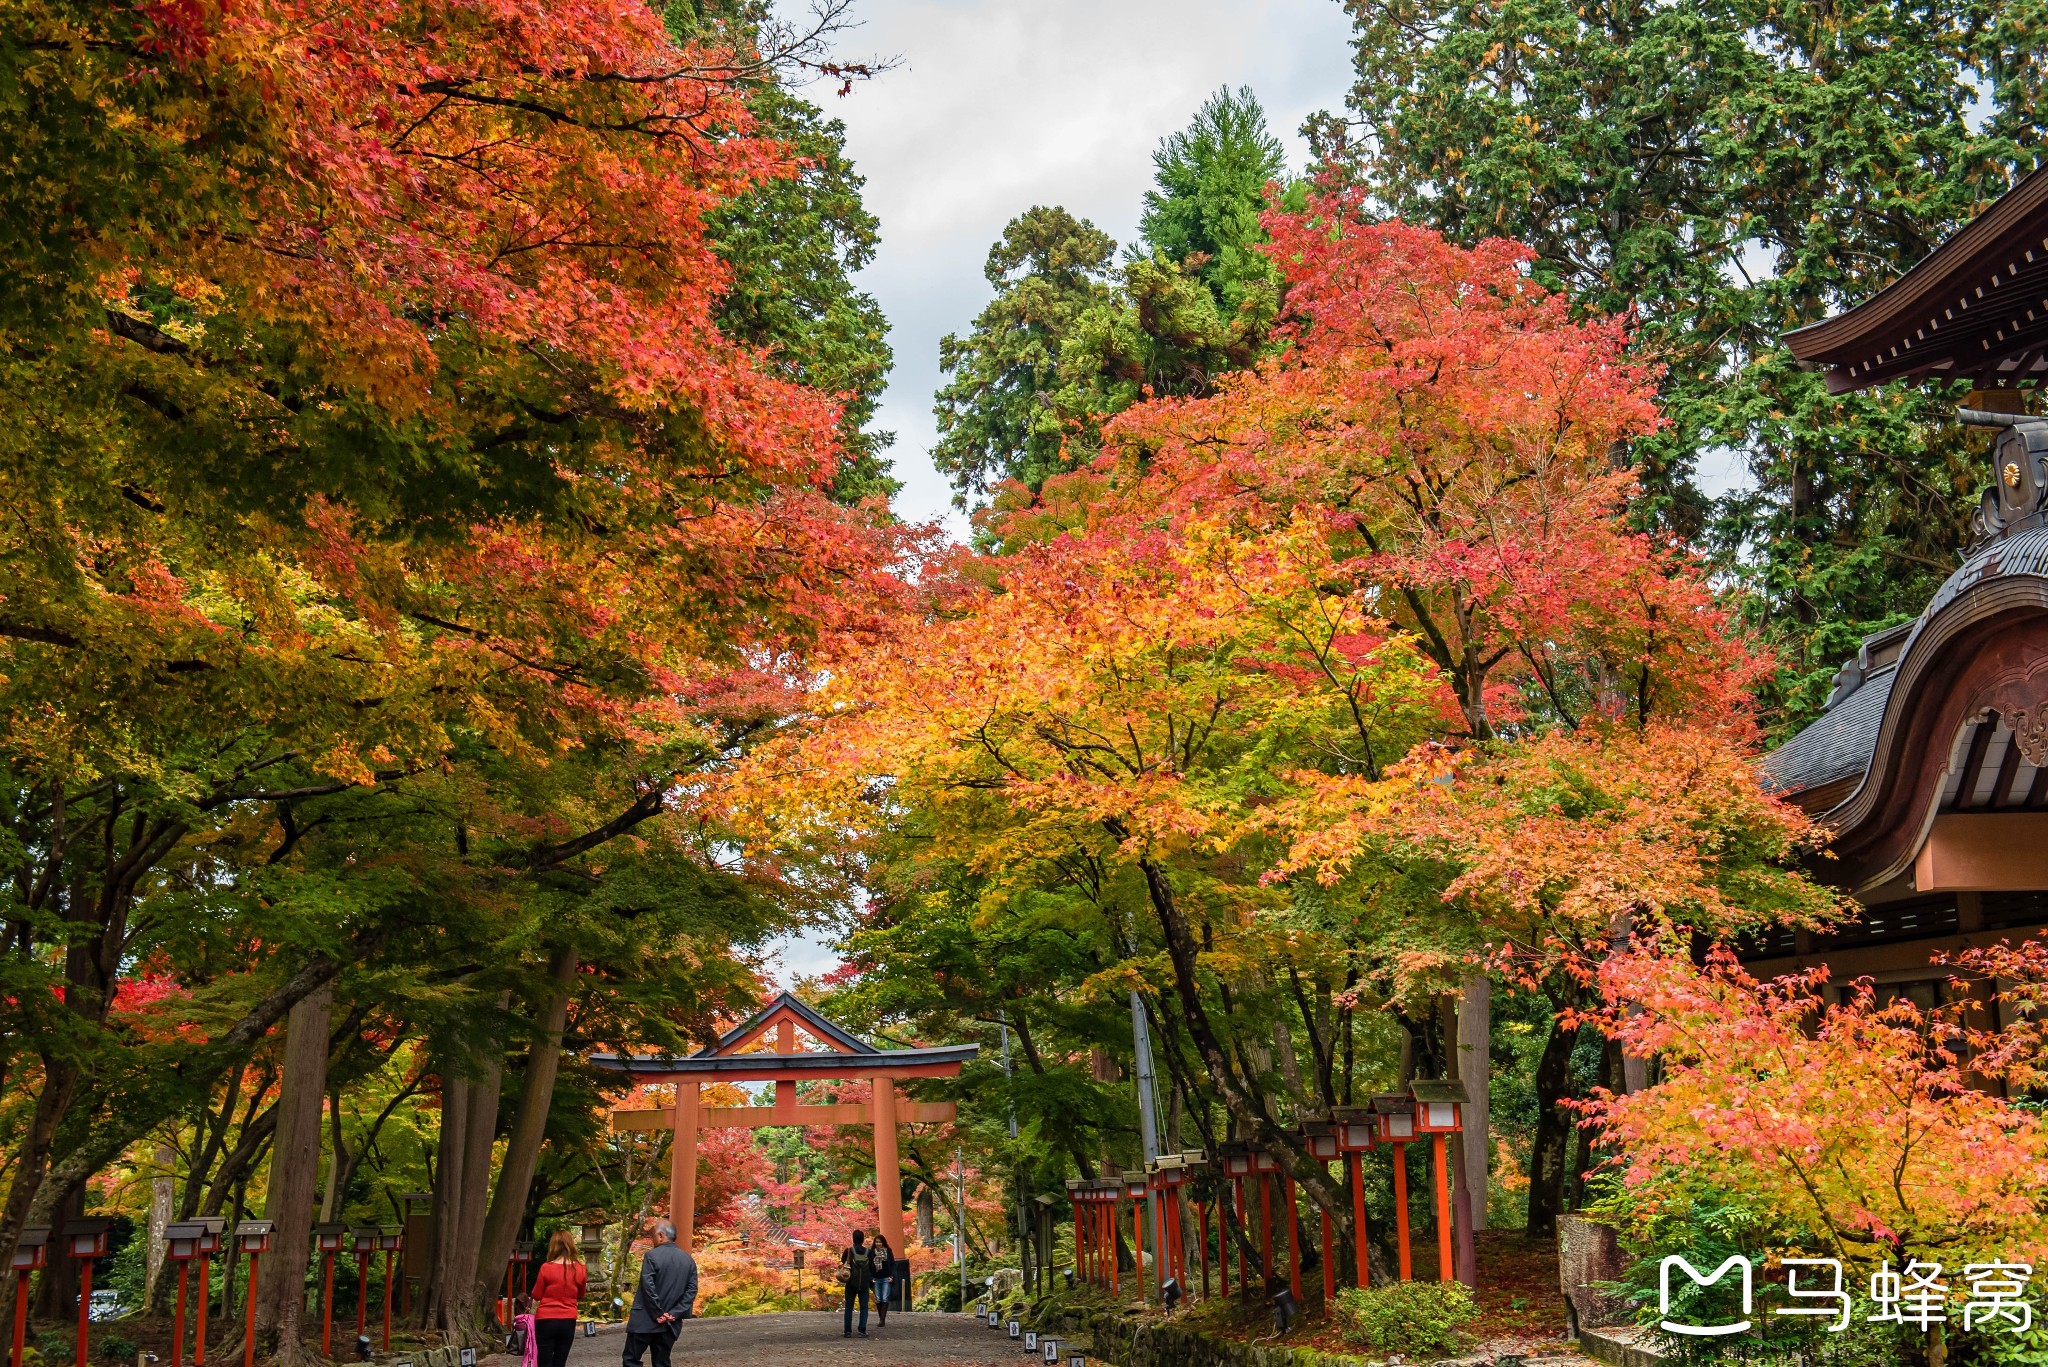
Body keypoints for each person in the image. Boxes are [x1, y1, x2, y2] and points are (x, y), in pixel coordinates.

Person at [623, 1222, 697, 1367]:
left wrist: (658, 1313)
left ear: (661, 1236)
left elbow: (647, 1286)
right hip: (670, 1323)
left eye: (653, 1236)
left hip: (645, 1319)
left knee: (631, 1360)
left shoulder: (652, 1256)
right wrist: (673, 1313)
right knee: (662, 1362)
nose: (652, 1240)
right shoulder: (688, 1260)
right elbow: (691, 1291)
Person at [530, 1230, 588, 1367]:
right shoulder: (580, 1269)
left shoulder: (546, 1268)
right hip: (568, 1319)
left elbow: (536, 1295)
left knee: (544, 1361)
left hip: (545, 1319)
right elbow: (580, 1295)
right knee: (560, 1361)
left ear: (553, 1246)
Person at [838, 1229, 872, 1338]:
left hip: (851, 1283)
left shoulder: (849, 1251)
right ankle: (862, 1330)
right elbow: (872, 1267)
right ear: (863, 1239)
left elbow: (843, 1262)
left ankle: (847, 1331)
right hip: (864, 1284)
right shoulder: (868, 1252)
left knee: (849, 1307)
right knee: (864, 1308)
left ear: (853, 1239)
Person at [867, 1232, 894, 1329]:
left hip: (886, 1277)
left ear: (883, 1243)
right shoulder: (871, 1253)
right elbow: (869, 1266)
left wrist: (892, 1276)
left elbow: (892, 1264)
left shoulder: (888, 1251)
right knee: (878, 1299)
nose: (878, 1244)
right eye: (877, 1242)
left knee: (885, 1298)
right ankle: (881, 1318)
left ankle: (882, 1320)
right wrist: (871, 1278)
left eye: (880, 1242)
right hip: (876, 1278)